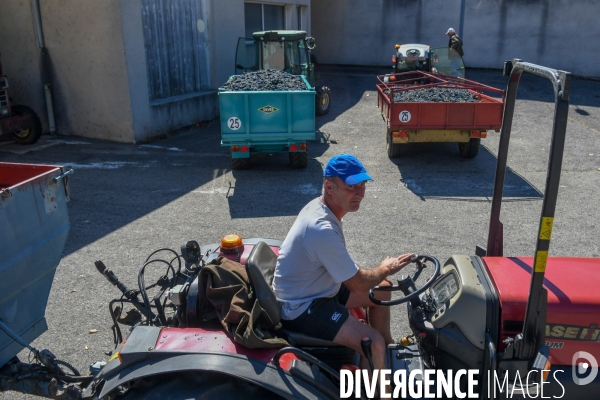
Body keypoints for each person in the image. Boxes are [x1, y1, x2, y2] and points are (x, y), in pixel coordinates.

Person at [272, 153, 413, 390]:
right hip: (303, 305)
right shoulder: (321, 228)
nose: (359, 193)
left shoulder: (323, 209)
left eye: (362, 185)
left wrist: (380, 274)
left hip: (318, 286)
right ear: (330, 186)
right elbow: (358, 284)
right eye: (351, 186)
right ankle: (380, 390)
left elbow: (342, 264)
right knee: (371, 341)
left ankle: (386, 355)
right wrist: (384, 267)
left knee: (383, 289)